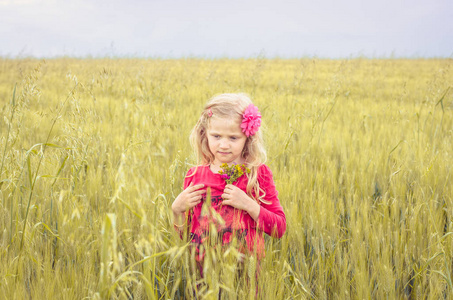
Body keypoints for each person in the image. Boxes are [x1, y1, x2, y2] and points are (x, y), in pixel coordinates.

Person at [171, 93, 286, 276]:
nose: (223, 145)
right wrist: (177, 210)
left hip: (246, 277)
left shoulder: (258, 174)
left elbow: (279, 228)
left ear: (248, 138)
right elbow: (188, 238)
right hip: (205, 279)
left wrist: (248, 204)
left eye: (233, 138)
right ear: (205, 134)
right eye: (216, 136)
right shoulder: (194, 176)